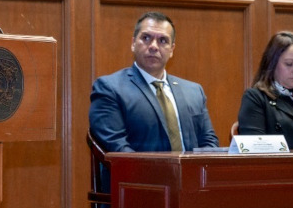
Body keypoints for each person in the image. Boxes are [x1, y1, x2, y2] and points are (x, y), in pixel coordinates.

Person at [89, 11, 220, 154]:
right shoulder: (110, 88)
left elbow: (209, 142)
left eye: (162, 40)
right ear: (133, 43)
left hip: (191, 175)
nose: (153, 46)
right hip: (138, 175)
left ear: (172, 50)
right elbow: (118, 147)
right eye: (146, 38)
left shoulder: (194, 91)